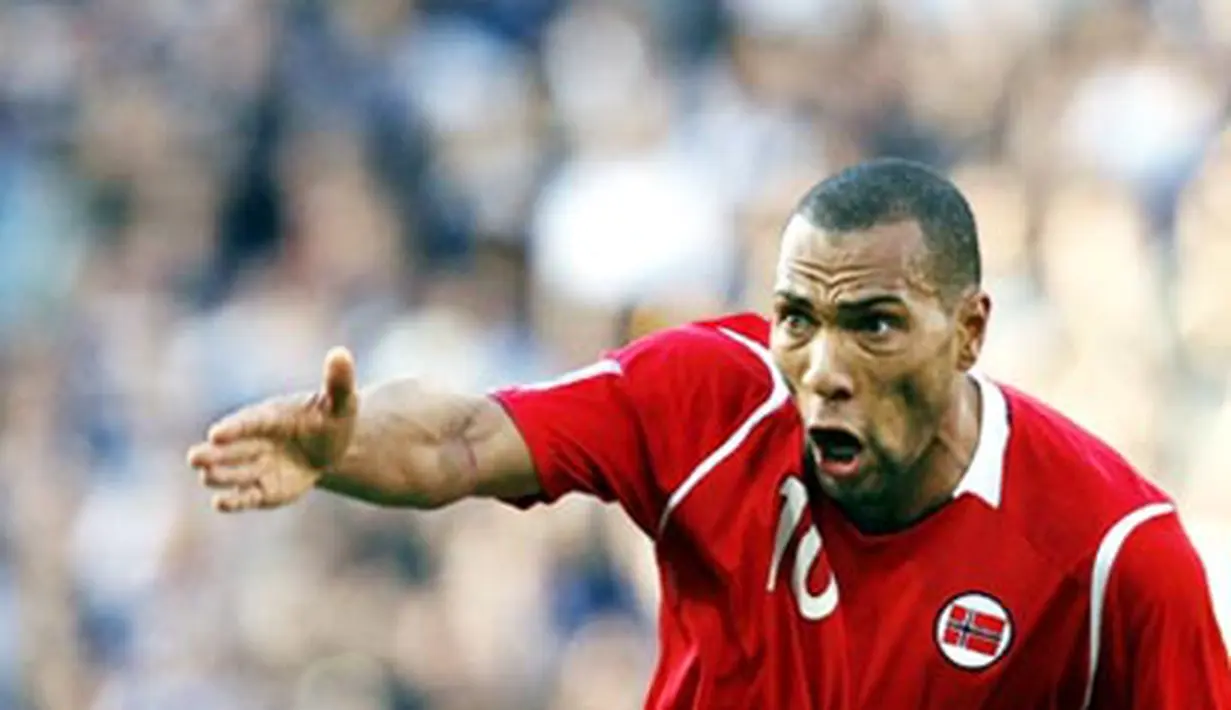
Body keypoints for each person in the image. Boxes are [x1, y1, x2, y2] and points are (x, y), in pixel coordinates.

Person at [187, 158, 1231, 709]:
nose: (822, 368)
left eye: (872, 324)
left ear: (968, 332)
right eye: (798, 318)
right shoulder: (714, 396)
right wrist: (346, 443)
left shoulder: (1112, 556)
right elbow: (463, 435)